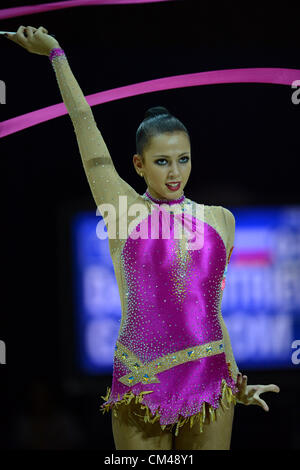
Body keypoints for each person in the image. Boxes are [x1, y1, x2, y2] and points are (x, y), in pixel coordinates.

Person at [4, 25, 280, 450]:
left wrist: (237, 376)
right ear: (138, 164)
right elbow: (83, 125)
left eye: (183, 159)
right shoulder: (125, 211)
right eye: (162, 161)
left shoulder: (220, 220)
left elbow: (213, 312)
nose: (175, 172)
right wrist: (56, 54)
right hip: (141, 378)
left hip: (210, 377)